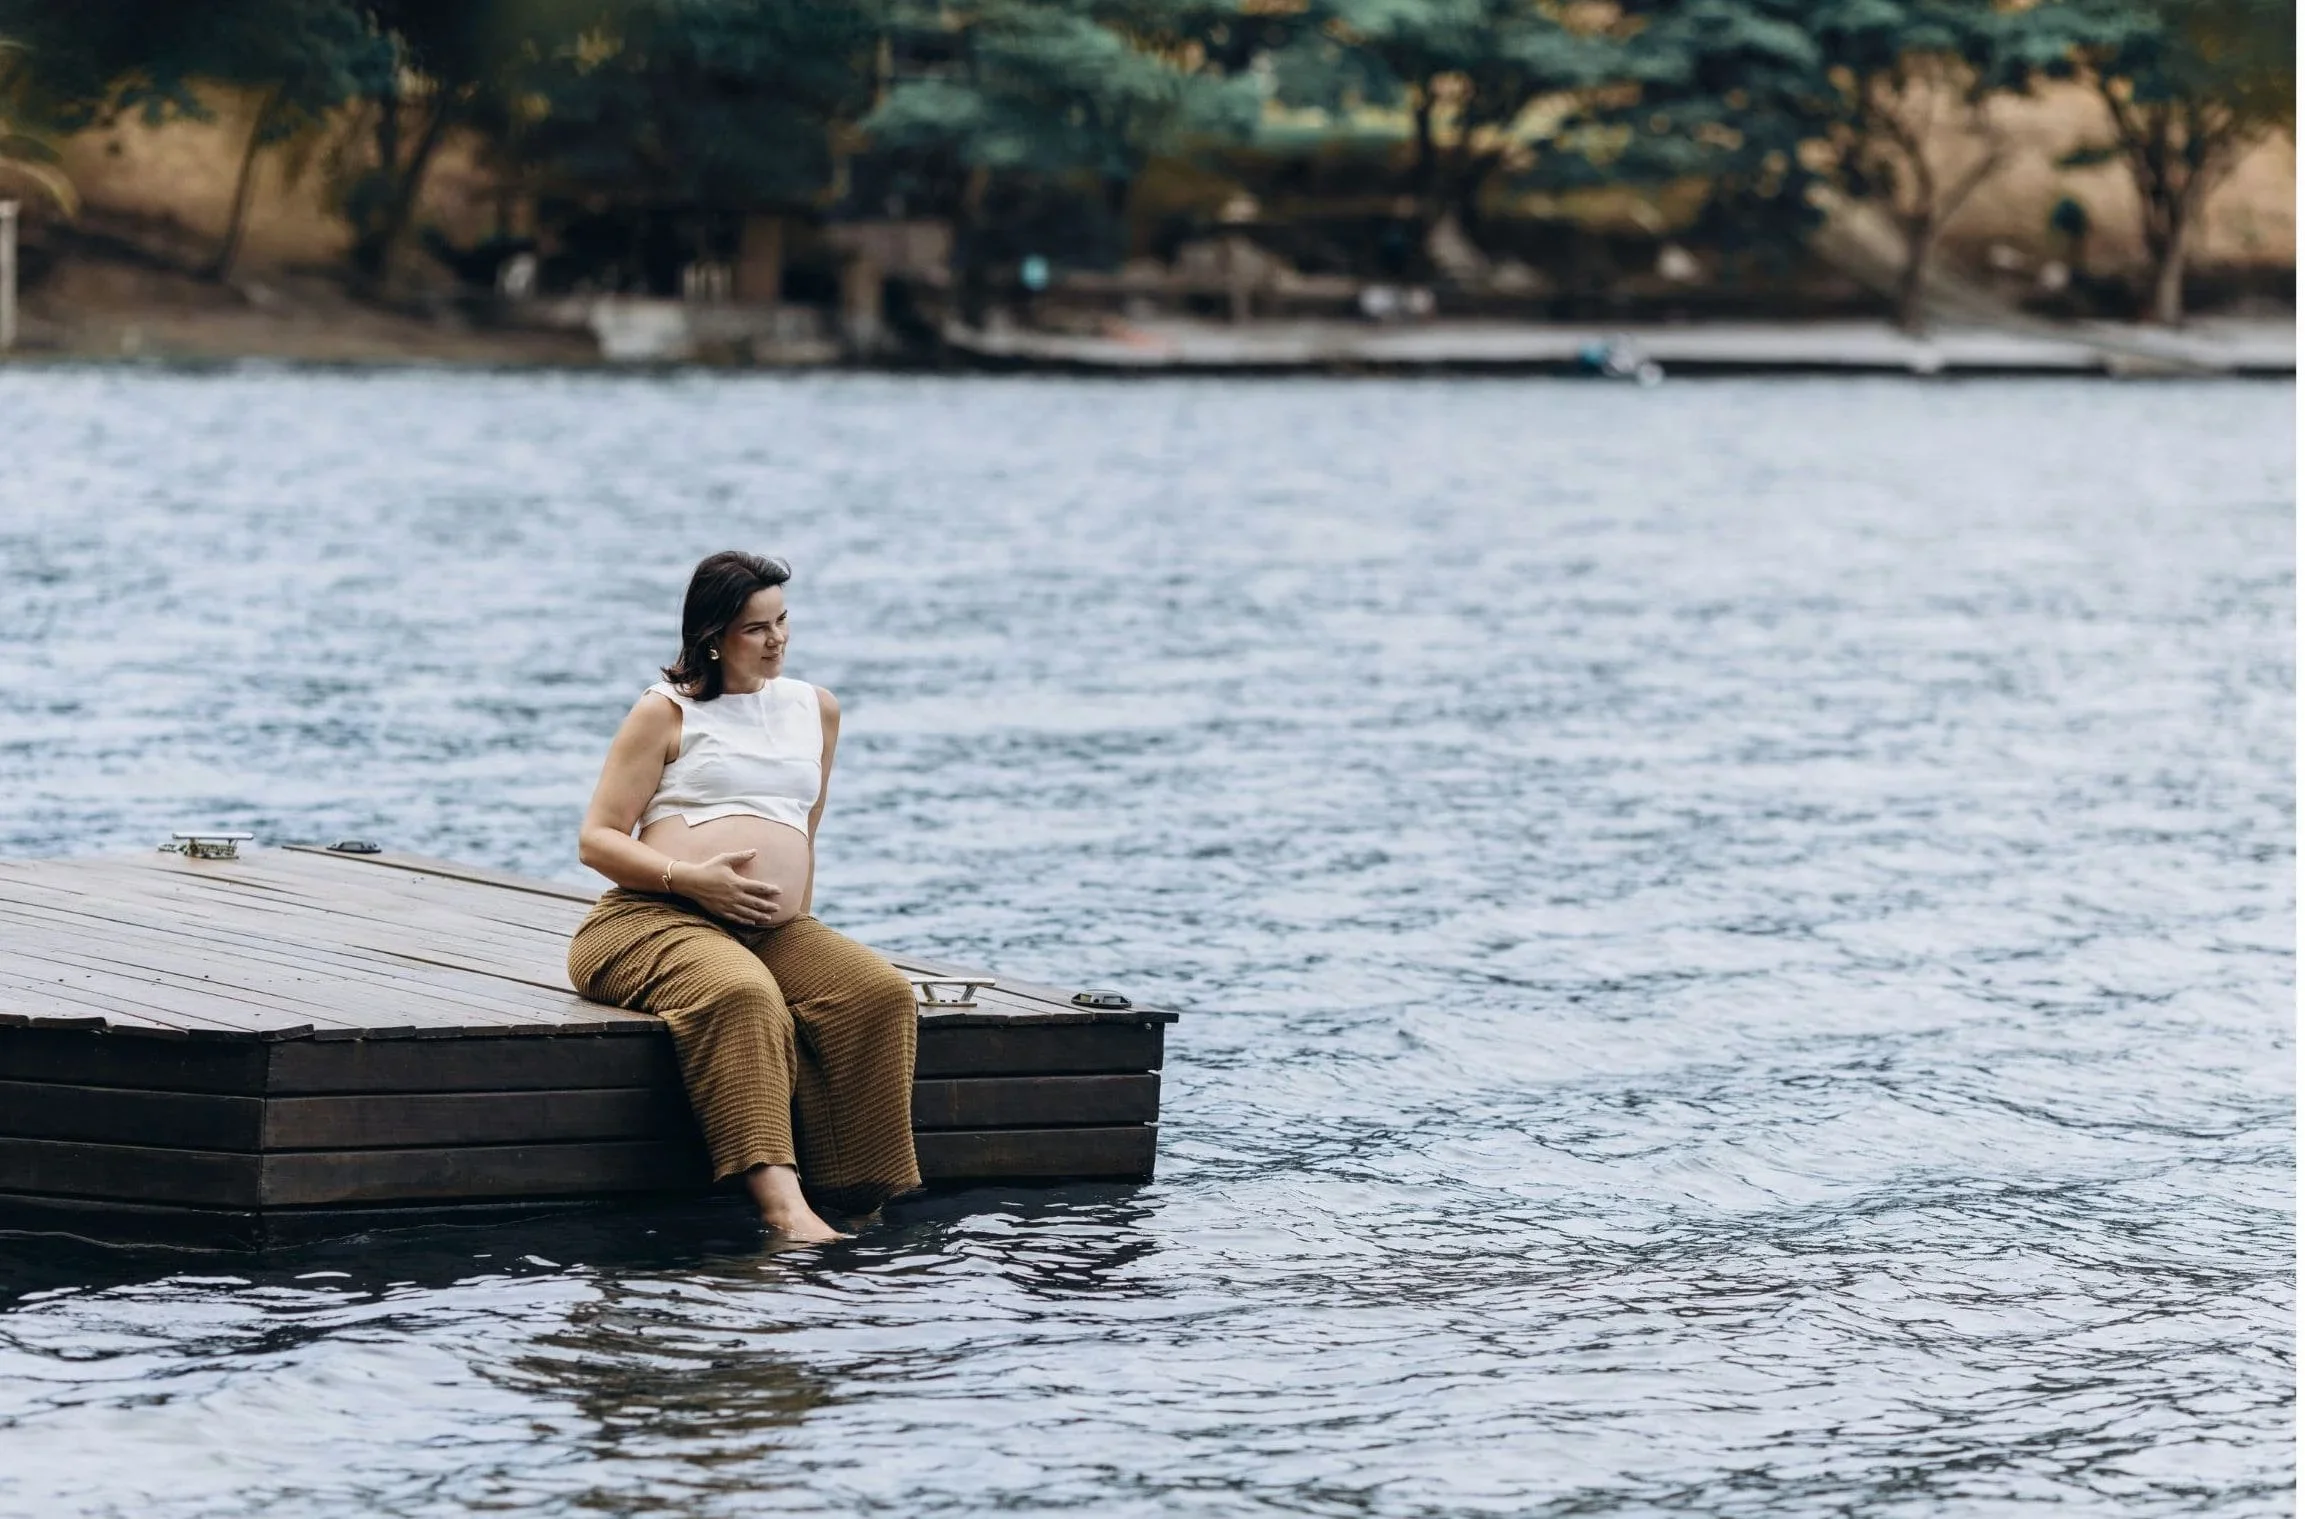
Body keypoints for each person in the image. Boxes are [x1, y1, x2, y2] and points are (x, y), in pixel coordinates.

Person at [568, 550, 920, 1242]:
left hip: (770, 925)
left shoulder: (815, 708)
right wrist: (689, 878)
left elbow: (803, 830)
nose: (777, 638)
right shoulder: (664, 711)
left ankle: (857, 1195)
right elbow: (597, 839)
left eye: (783, 620)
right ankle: (782, 1209)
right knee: (743, 994)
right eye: (755, 627)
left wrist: (797, 923)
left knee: (878, 994)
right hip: (653, 917)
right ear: (711, 636)